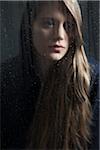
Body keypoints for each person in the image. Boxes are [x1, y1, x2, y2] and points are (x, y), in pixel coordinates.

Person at [1, 0, 99, 149]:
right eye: (49, 23)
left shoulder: (93, 79)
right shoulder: (6, 78)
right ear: (30, 26)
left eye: (68, 26)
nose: (59, 35)